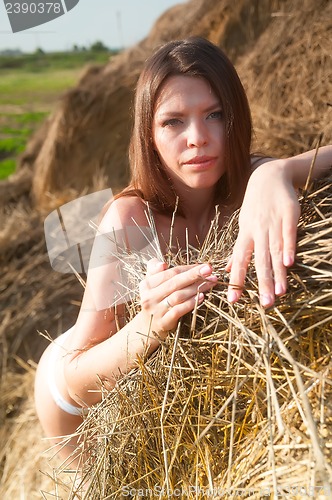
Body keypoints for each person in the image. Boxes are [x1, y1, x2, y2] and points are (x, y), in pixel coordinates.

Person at [34, 37, 331, 469]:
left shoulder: (252, 185)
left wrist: (278, 170)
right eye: (173, 122)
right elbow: (75, 381)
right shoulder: (128, 218)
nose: (198, 138)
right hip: (70, 402)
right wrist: (149, 326)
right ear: (148, 135)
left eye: (215, 114)